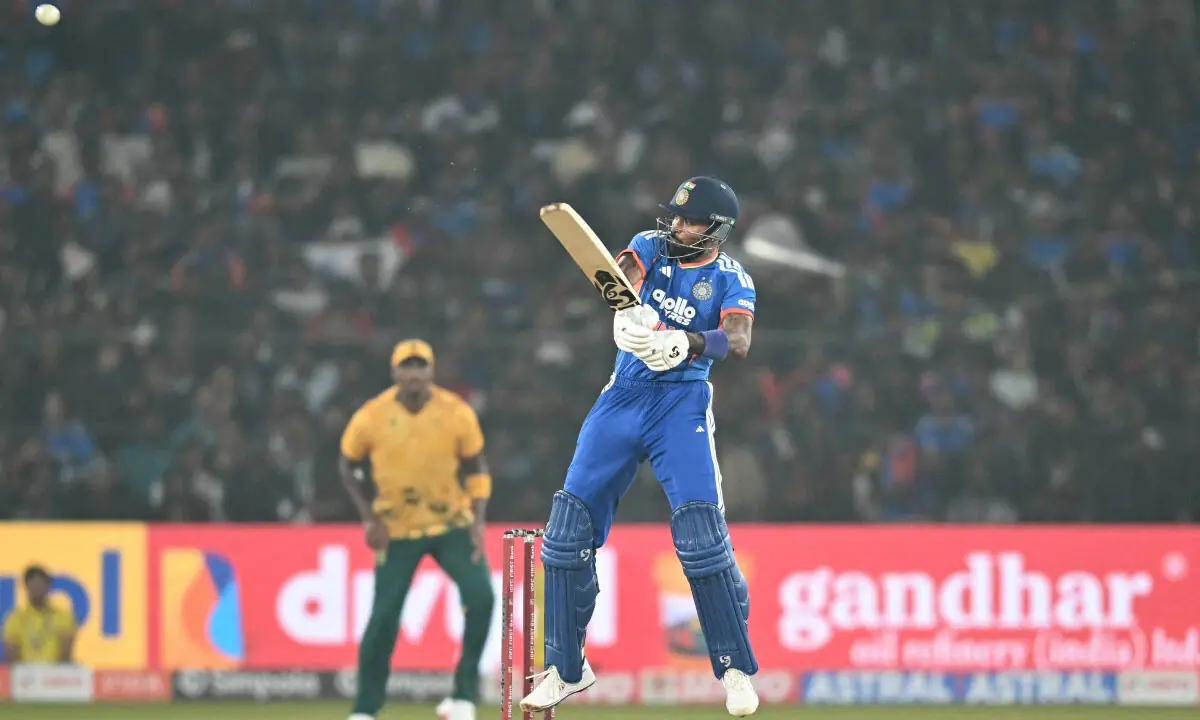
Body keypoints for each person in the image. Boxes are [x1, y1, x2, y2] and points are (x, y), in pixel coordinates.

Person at [521, 177, 760, 716]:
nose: (676, 226)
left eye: (689, 221)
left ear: (716, 229)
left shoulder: (731, 278)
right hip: (624, 395)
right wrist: (626, 318)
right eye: (675, 216)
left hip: (681, 402)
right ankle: (566, 667)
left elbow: (739, 340)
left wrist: (686, 341)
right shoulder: (650, 246)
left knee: (700, 538)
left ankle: (734, 667)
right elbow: (620, 278)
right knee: (565, 533)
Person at [341, 340, 495, 720]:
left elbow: (476, 469)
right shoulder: (372, 416)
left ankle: (462, 697)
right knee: (383, 618)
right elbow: (348, 464)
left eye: (420, 366)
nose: (413, 374)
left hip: (451, 524)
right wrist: (369, 518)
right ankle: (365, 709)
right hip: (397, 529)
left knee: (482, 597)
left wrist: (478, 523)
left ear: (431, 371)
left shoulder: (456, 412)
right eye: (406, 367)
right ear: (394, 372)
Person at [2, 565, 77, 664]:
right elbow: (11, 656)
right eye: (33, 585)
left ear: (48, 587)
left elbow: (65, 654)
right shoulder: (15, 619)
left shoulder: (63, 617)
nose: (37, 589)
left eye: (40, 585)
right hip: (24, 672)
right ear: (26, 587)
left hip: (56, 672)